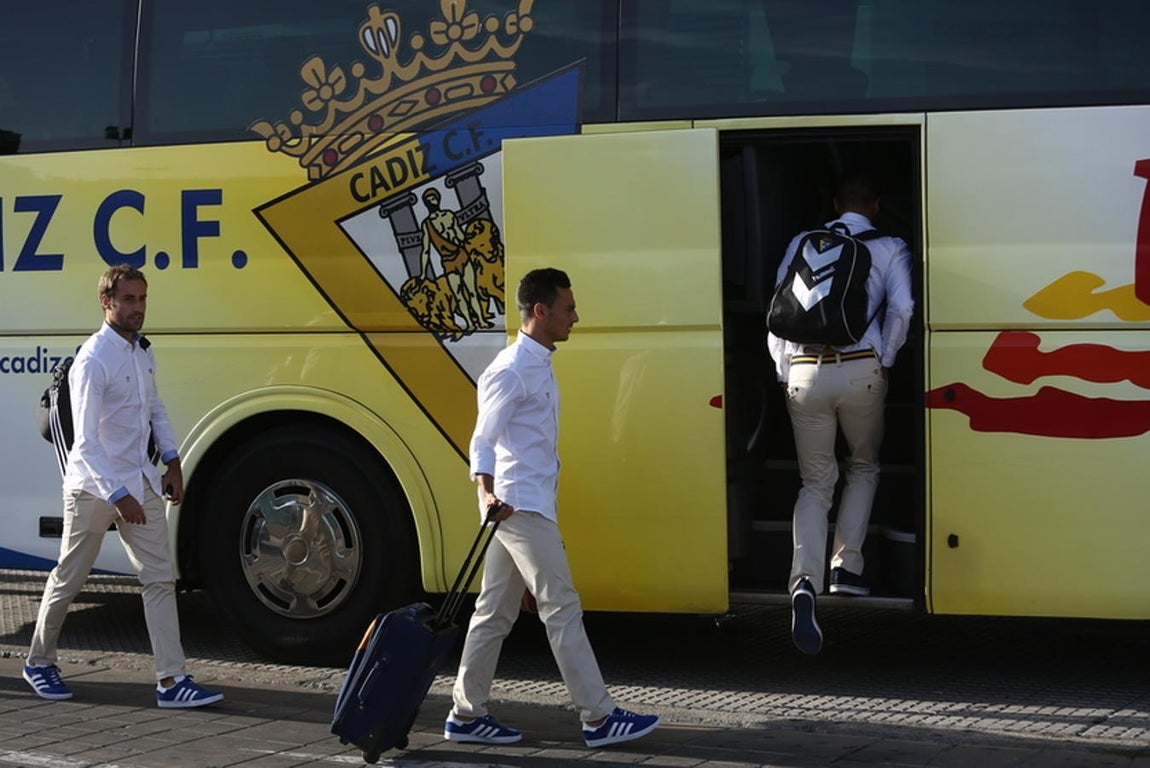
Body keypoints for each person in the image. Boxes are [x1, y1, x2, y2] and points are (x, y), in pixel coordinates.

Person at [444, 267, 660, 748]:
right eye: (568, 308)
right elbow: (482, 440)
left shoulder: (537, 363)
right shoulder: (511, 369)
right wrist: (485, 493)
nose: (575, 317)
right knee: (561, 607)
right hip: (518, 506)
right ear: (540, 311)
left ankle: (465, 714)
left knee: (493, 614)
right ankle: (598, 717)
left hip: (524, 505)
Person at [23, 265, 223, 708]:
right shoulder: (93, 360)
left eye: (142, 299)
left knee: (159, 578)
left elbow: (155, 409)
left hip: (141, 480)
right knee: (70, 577)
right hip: (93, 487)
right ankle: (38, 661)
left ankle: (171, 680)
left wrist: (172, 460)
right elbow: (86, 443)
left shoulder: (142, 352)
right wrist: (119, 496)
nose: (138, 308)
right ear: (106, 302)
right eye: (129, 299)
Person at [767, 175, 914, 655]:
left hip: (804, 372)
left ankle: (803, 580)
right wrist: (884, 359)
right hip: (861, 371)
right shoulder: (890, 246)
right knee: (863, 465)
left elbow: (779, 311)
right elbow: (903, 309)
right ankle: (846, 567)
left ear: (835, 204)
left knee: (815, 483)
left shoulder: (802, 242)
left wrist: (784, 369)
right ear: (876, 205)